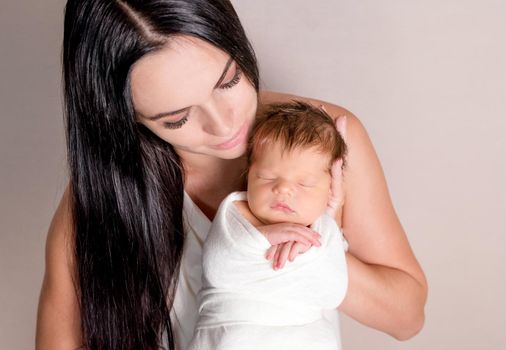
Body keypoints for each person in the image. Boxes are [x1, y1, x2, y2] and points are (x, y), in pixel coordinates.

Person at [36, 1, 428, 349]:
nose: (225, 125)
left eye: (228, 81)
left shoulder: (325, 140)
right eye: (178, 118)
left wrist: (314, 250)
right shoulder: (99, 199)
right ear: (123, 119)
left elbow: (407, 318)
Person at [188, 101, 349, 350]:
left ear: (330, 187)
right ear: (248, 176)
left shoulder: (324, 228)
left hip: (307, 336)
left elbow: (333, 292)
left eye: (304, 183)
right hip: (233, 334)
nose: (283, 188)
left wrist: (311, 250)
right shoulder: (235, 211)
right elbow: (219, 268)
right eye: (267, 177)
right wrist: (262, 238)